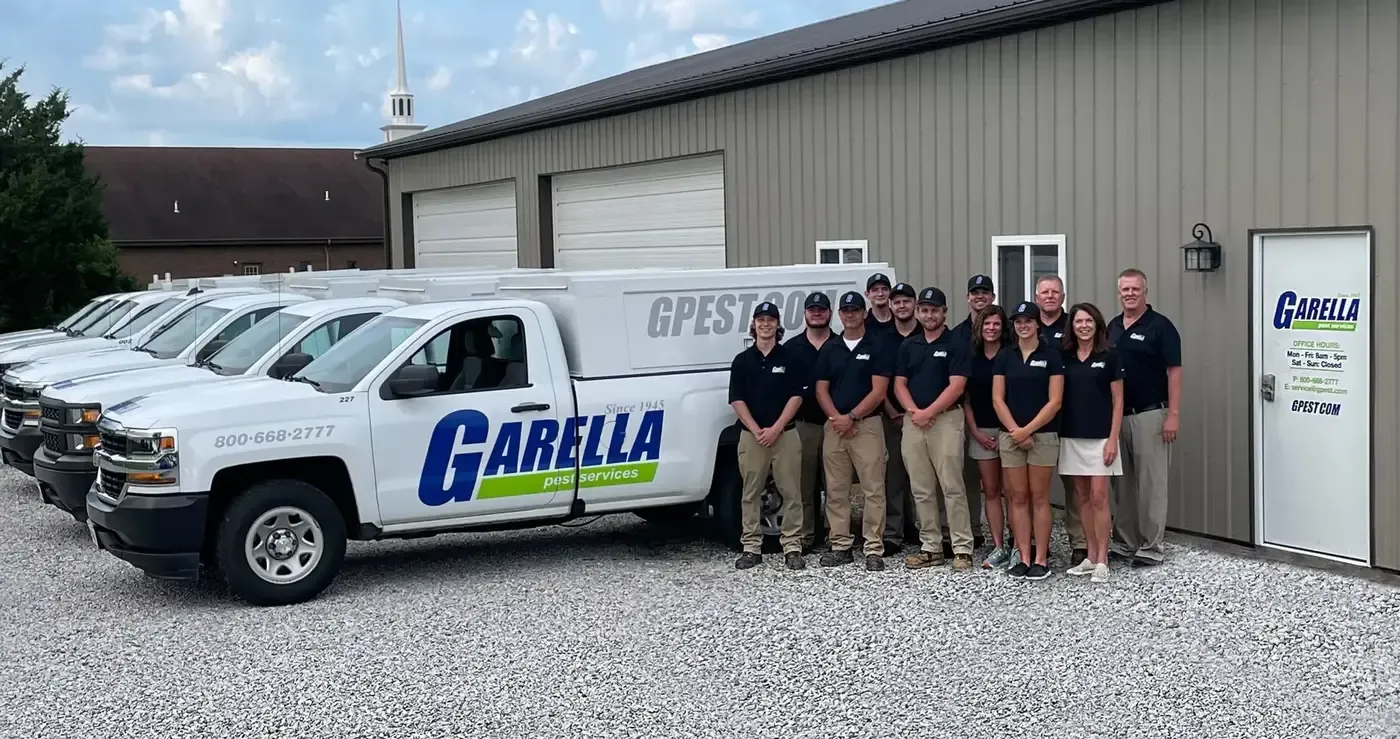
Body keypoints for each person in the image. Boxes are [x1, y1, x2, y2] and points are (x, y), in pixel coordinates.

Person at [894, 287, 974, 570]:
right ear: (918, 312)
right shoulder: (909, 346)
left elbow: (957, 385)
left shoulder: (957, 343)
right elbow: (899, 384)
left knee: (952, 485)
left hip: (946, 421)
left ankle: (962, 547)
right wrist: (914, 412)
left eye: (935, 310)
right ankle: (931, 547)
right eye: (925, 310)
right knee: (922, 487)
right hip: (914, 422)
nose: (929, 315)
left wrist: (929, 411)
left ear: (944, 313)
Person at [1107, 268, 1182, 566]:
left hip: (1151, 414)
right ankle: (1124, 543)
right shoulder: (1112, 327)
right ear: (1119, 292)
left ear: (1145, 292)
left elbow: (1174, 371)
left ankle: (1152, 547)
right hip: (1118, 417)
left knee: (1152, 483)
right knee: (1121, 483)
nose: (1130, 293)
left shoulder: (1160, 327)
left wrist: (1173, 414)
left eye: (1135, 289)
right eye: (1125, 289)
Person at [814, 290, 892, 571]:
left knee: (873, 489)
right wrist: (837, 418)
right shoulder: (830, 348)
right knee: (836, 489)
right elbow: (821, 389)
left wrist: (852, 416)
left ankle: (873, 547)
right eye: (845, 311)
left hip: (867, 425)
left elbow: (879, 390)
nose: (850, 315)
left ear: (863, 313)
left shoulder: (877, 345)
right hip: (835, 426)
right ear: (840, 315)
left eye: (855, 310)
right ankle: (841, 545)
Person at [727, 301, 806, 570]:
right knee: (750, 493)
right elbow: (737, 400)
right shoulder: (742, 361)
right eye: (760, 319)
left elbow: (797, 397)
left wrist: (776, 428)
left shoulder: (790, 357)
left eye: (770, 319)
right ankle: (751, 547)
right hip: (753, 437)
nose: (765, 324)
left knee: (792, 492)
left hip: (785, 435)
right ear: (754, 325)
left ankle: (793, 547)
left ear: (777, 324)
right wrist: (756, 429)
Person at [992, 301, 1064, 581]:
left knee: (1039, 497)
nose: (1023, 325)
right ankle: (1022, 556)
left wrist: (1028, 430)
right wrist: (1015, 431)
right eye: (1018, 321)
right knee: (1017, 497)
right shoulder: (1005, 355)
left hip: (1042, 436)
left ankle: (1041, 558)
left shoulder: (1052, 355)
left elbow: (1055, 401)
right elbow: (997, 398)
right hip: (1010, 437)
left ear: (1038, 324)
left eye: (1028, 320)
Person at [1058, 302, 1123, 583]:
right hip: (1072, 435)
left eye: (1088, 321)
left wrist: (1112, 440)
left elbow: (1118, 401)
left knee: (1099, 496)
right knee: (1081, 497)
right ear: (1071, 326)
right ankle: (1090, 555)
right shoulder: (1065, 357)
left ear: (1097, 325)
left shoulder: (1109, 356)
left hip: (1101, 438)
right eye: (1077, 322)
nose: (1083, 326)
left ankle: (1103, 560)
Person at [1034, 274, 1085, 566]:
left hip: (1070, 416)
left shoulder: (1074, 325)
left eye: (1055, 292)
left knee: (1074, 485)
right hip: (1033, 418)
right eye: (1045, 292)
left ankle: (1079, 543)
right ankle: (1034, 543)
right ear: (1037, 297)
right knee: (1033, 489)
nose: (1050, 296)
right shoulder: (1027, 325)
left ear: (1062, 297)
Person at [948, 274, 996, 551]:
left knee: (1000, 484)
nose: (979, 297)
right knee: (967, 476)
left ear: (992, 297)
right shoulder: (957, 335)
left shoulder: (1004, 332)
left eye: (985, 293)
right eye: (975, 293)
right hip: (966, 412)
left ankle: (1010, 536)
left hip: (999, 420)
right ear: (968, 297)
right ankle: (974, 530)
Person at [784, 291, 835, 552]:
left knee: (835, 486)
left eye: (822, 309)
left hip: (835, 425)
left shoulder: (839, 344)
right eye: (812, 309)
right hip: (803, 425)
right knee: (803, 485)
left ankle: (835, 535)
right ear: (805, 314)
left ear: (829, 313)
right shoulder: (791, 348)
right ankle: (806, 535)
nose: (817, 313)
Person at [965, 303, 1014, 569]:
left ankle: (1018, 543)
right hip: (982, 430)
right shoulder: (971, 359)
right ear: (979, 327)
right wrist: (976, 432)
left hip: (1010, 431)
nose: (991, 329)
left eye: (996, 324)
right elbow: (967, 401)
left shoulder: (1012, 355)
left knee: (1016, 493)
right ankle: (998, 546)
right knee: (992, 492)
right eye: (987, 324)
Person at [879, 282, 919, 553]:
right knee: (892, 477)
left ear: (914, 304)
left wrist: (916, 413)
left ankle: (919, 528)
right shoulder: (881, 339)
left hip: (922, 418)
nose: (902, 306)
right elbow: (877, 382)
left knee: (921, 477)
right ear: (890, 306)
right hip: (890, 416)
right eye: (897, 301)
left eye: (907, 301)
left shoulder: (928, 334)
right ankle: (893, 533)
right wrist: (893, 411)